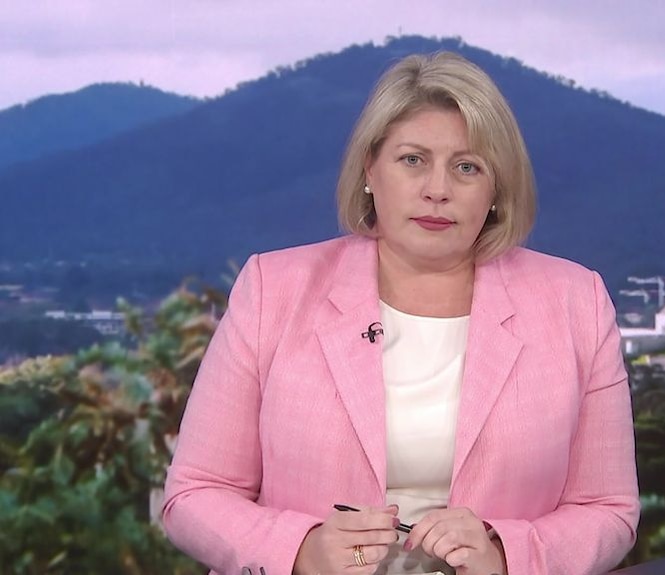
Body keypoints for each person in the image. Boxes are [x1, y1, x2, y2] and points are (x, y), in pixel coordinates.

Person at [162, 51, 639, 575]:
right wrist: (299, 552)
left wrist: (507, 556)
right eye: (413, 159)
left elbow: (607, 509)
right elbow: (195, 494)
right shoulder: (273, 290)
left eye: (467, 166)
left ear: (496, 188)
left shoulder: (576, 302)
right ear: (370, 168)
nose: (438, 189)